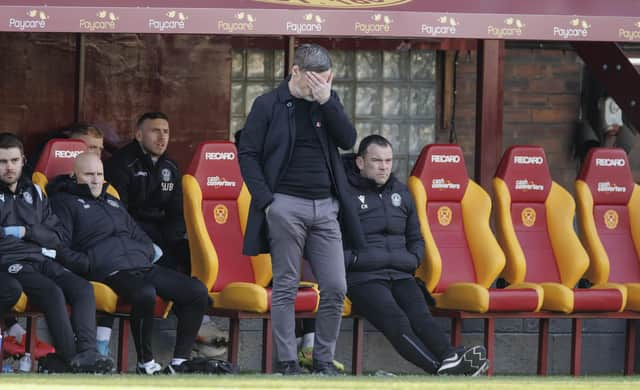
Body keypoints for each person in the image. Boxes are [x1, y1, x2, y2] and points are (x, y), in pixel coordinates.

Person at [238, 43, 366, 375]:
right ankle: (288, 361)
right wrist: (267, 201)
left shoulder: (326, 100)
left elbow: (348, 139)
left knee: (337, 285)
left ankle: (322, 359)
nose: (320, 88)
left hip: (326, 206)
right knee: (286, 284)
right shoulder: (268, 104)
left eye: (327, 81)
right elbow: (248, 153)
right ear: (295, 72)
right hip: (285, 204)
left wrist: (326, 101)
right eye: (314, 83)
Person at [47, 153, 209, 375]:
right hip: (109, 269)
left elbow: (138, 234)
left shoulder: (112, 200)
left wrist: (145, 252)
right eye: (88, 174)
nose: (95, 179)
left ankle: (180, 362)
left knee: (196, 291)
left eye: (99, 174)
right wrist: (88, 263)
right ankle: (146, 362)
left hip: (141, 265)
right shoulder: (63, 202)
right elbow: (58, 245)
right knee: (145, 293)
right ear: (74, 175)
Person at [342, 135, 489, 376]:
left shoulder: (401, 193)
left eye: (388, 160)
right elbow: (330, 238)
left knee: (421, 317)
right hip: (363, 278)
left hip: (401, 273)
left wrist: (414, 260)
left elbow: (416, 237)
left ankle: (449, 357)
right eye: (376, 160)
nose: (384, 166)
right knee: (397, 321)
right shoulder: (345, 193)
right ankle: (439, 370)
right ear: (360, 162)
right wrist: (354, 261)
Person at [104, 112, 225, 357]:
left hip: (162, 233)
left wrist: (173, 239)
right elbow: (119, 211)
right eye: (155, 131)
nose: (162, 137)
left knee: (193, 254)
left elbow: (176, 212)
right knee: (165, 261)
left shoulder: (170, 166)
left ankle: (202, 312)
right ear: (139, 135)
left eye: (166, 131)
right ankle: (199, 326)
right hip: (132, 236)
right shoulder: (121, 163)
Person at [0, 132, 112, 373]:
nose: (9, 167)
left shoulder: (36, 192)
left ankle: (88, 353)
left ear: (23, 160)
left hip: (41, 257)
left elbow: (57, 236)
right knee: (52, 292)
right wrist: (33, 237)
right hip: (10, 263)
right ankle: (72, 360)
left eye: (14, 160)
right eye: (2, 162)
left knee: (82, 287)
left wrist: (23, 232)